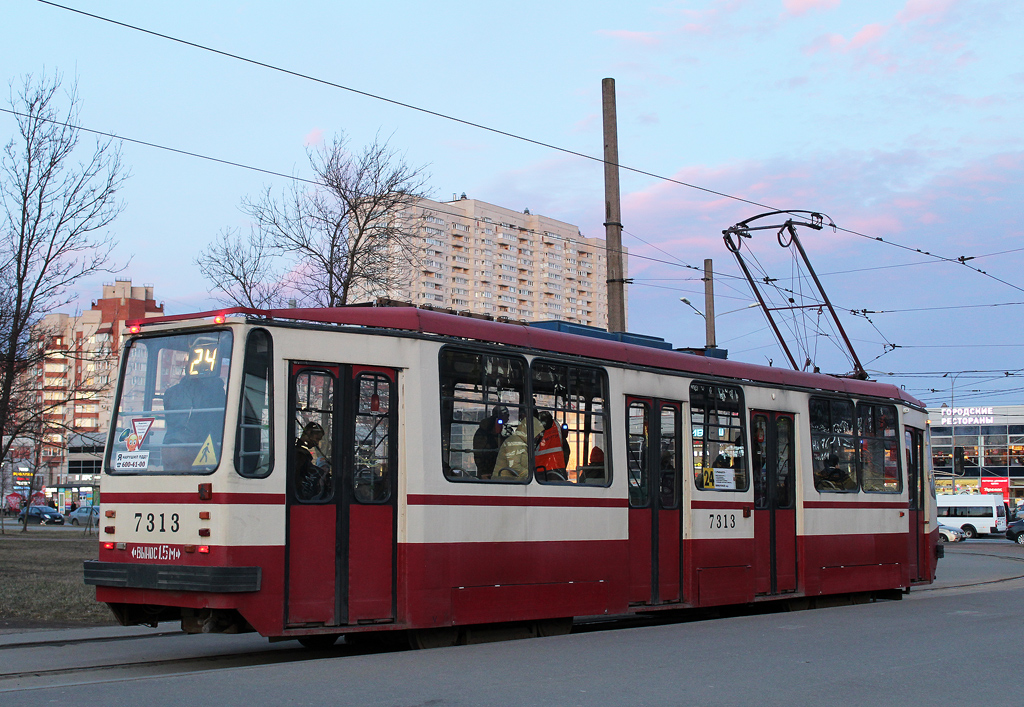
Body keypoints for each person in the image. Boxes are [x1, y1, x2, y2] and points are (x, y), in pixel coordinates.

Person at [494, 414, 541, 480]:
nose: (537, 437)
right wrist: (530, 475)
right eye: (537, 434)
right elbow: (514, 466)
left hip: (512, 481)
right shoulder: (515, 443)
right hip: (505, 481)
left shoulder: (522, 442)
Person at [295, 422, 331, 500]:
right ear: (308, 433)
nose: (317, 443)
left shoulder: (301, 452)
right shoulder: (299, 454)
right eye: (317, 439)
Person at [473, 405, 509, 479]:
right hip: (487, 472)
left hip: (503, 469)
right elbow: (478, 453)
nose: (508, 417)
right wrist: (483, 472)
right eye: (506, 415)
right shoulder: (483, 432)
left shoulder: (506, 430)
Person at [535, 411, 567, 480]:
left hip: (539, 470)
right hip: (558, 469)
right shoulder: (557, 426)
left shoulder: (536, 431)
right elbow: (567, 450)